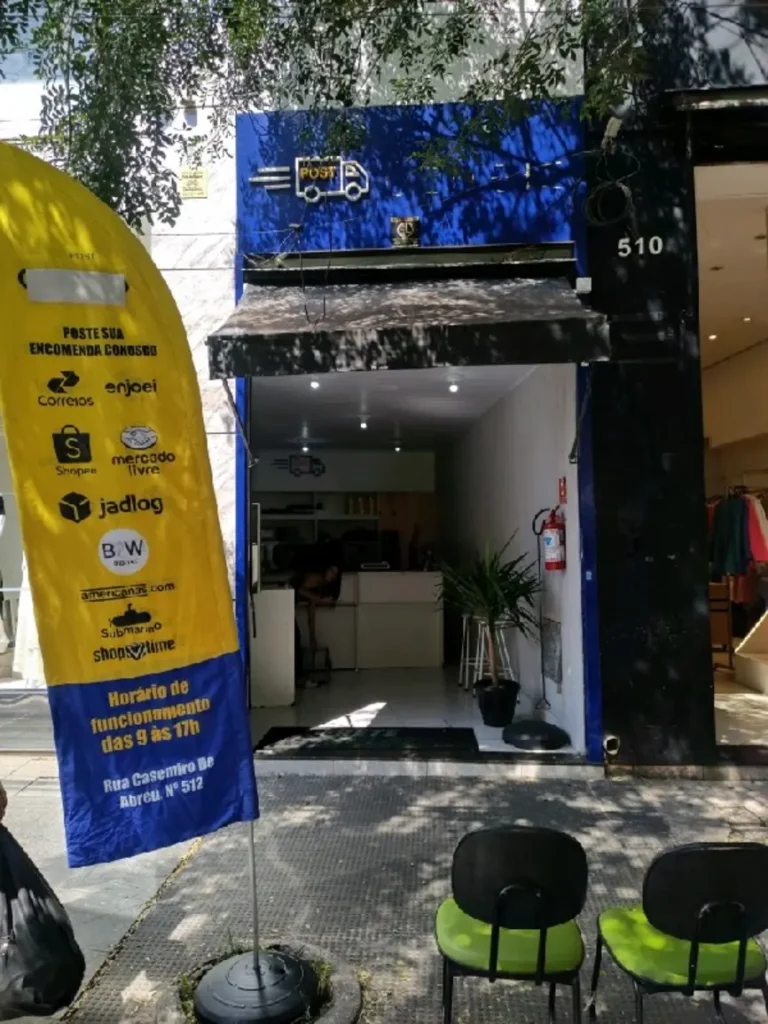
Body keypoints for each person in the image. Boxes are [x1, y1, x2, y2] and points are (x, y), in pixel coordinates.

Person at [292, 545, 342, 685]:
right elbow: (300, 590)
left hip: (289, 606)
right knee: (295, 638)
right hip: (283, 604)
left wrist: (313, 637)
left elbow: (311, 613)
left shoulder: (318, 587)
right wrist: (320, 600)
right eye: (331, 572)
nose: (333, 576)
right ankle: (297, 677)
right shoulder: (316, 578)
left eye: (335, 575)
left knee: (296, 638)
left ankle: (298, 676)